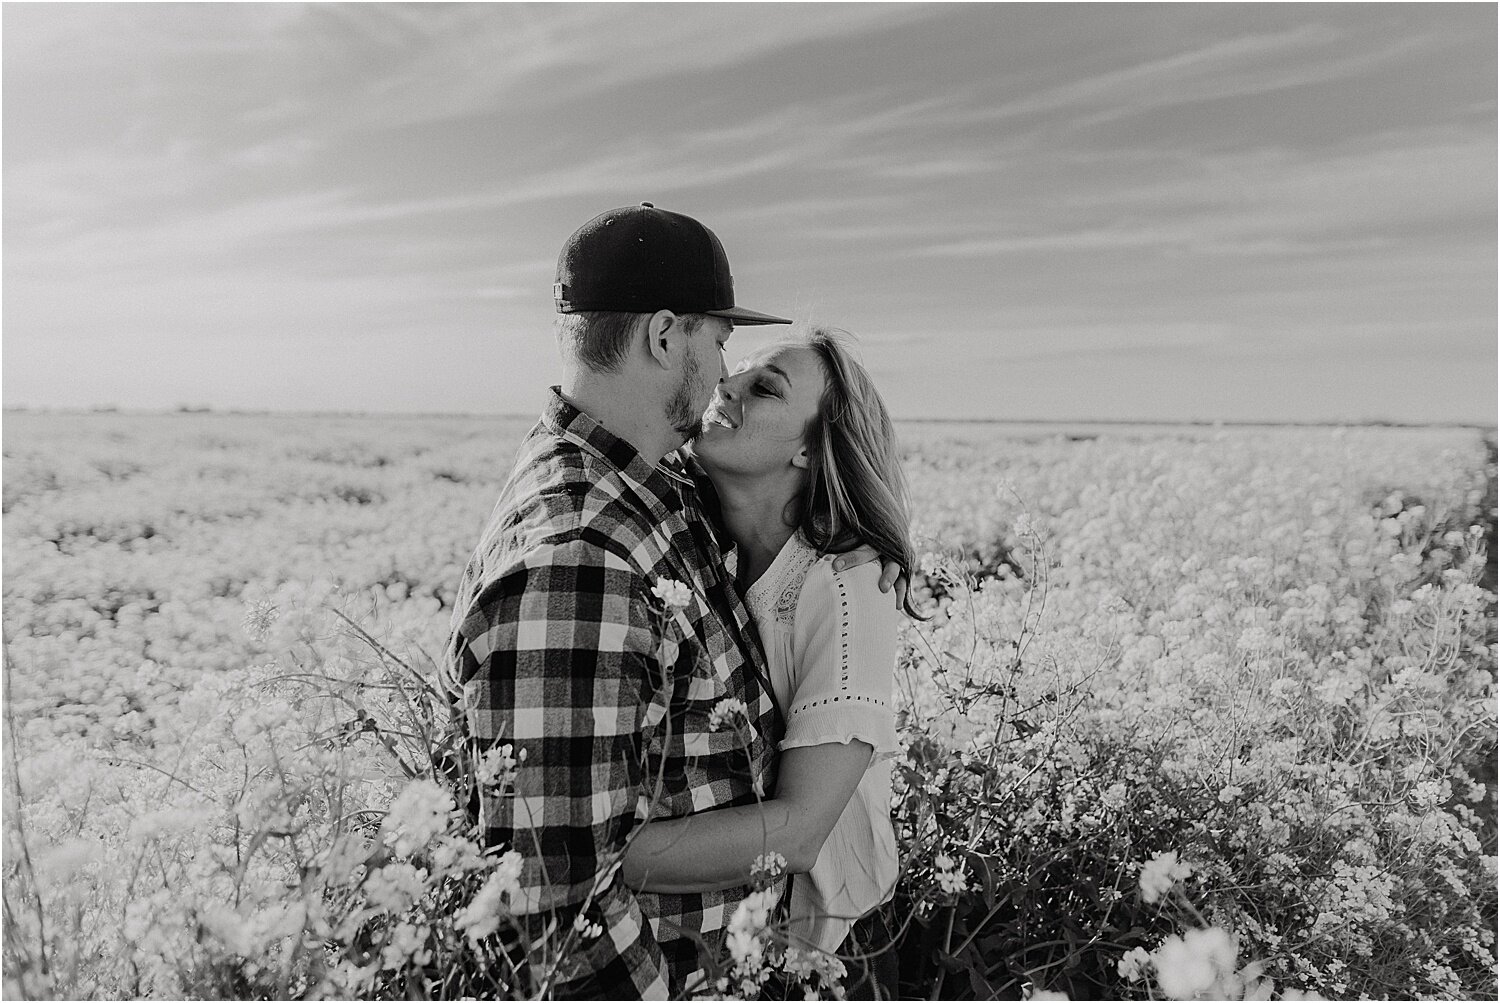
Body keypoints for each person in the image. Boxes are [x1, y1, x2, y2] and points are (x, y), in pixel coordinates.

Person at [443, 204, 900, 999]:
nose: (724, 375)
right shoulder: (582, 557)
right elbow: (562, 904)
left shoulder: (657, 482)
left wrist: (861, 557)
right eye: (720, 343)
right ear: (664, 338)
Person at [620, 328, 916, 998]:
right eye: (738, 372)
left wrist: (586, 855)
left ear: (812, 448)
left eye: (766, 387)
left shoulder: (843, 585)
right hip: (748, 938)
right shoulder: (700, 540)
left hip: (833, 944)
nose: (726, 386)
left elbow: (803, 831)